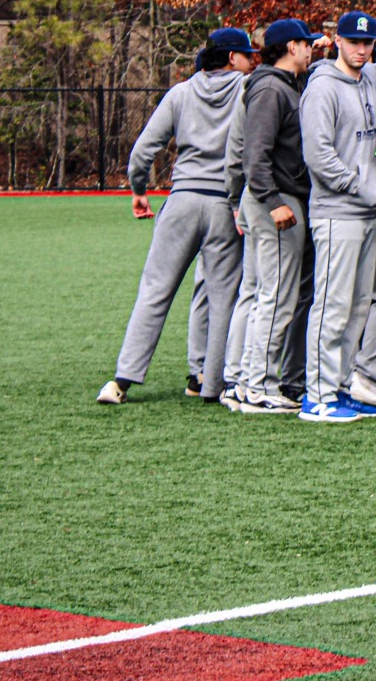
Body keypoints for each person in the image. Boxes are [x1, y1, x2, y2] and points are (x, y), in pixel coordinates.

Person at [98, 27, 258, 405]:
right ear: (232, 58)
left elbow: (142, 153)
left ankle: (121, 381)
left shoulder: (181, 92)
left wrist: (139, 191)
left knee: (155, 291)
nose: (253, 60)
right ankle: (210, 385)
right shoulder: (249, 89)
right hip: (225, 204)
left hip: (182, 201)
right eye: (247, 54)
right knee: (223, 297)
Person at [297, 11, 376, 423]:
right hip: (338, 213)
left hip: (368, 213)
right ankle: (316, 396)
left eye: (368, 43)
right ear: (337, 40)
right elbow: (318, 156)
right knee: (332, 305)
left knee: (356, 306)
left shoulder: (372, 76)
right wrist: (363, 187)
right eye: (354, 41)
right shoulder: (322, 88)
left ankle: (338, 387)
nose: (362, 49)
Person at [232, 18, 321, 415]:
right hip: (276, 200)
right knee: (276, 297)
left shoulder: (282, 83)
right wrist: (273, 201)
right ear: (290, 47)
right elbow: (255, 155)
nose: (311, 50)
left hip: (278, 196)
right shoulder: (270, 87)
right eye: (306, 44)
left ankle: (251, 382)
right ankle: (258, 386)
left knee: (270, 295)